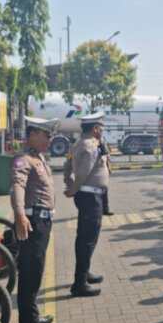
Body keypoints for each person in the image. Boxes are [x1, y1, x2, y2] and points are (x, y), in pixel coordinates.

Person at [11, 116, 60, 323]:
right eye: (45, 135)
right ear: (32, 134)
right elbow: (18, 187)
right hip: (33, 222)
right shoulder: (23, 160)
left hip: (42, 221)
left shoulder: (38, 157)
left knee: (35, 273)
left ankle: (29, 319)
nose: (49, 140)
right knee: (31, 274)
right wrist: (20, 214)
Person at [64, 112, 109, 297]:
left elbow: (68, 164)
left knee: (87, 238)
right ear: (96, 128)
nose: (102, 131)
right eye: (101, 128)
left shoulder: (78, 143)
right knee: (87, 239)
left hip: (89, 197)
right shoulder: (89, 145)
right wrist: (73, 188)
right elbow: (83, 173)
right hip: (90, 198)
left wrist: (68, 180)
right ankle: (79, 283)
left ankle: (85, 272)